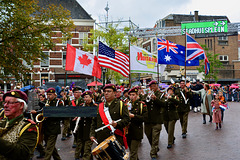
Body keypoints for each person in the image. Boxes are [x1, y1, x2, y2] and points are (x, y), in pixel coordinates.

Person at [0, 90, 38, 160]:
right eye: (5, 102)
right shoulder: (2, 122)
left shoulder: (28, 127)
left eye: (10, 103)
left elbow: (24, 153)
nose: (5, 106)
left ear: (21, 105)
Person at [90, 84, 130, 149]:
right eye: (105, 91)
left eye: (109, 91)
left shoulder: (121, 104)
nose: (106, 93)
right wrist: (92, 134)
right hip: (102, 139)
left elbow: (127, 119)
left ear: (114, 93)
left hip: (115, 138)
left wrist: (117, 124)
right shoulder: (100, 106)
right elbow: (94, 122)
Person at [144, 80, 164, 160]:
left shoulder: (161, 95)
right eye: (151, 86)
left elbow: (164, 104)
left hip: (157, 119)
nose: (152, 88)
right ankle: (155, 147)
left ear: (157, 86)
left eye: (154, 86)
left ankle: (153, 154)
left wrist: (156, 99)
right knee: (148, 135)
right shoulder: (146, 95)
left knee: (155, 137)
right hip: (148, 120)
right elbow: (144, 103)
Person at [42, 88, 64, 160]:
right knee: (50, 146)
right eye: (47, 94)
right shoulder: (45, 102)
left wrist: (49, 115)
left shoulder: (59, 102)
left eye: (50, 94)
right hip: (46, 127)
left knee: (48, 147)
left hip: (54, 127)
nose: (48, 96)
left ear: (54, 94)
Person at [127, 87, 148, 160]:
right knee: (132, 151)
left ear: (137, 95)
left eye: (133, 95)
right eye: (130, 95)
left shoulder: (141, 105)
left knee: (133, 153)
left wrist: (134, 116)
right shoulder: (126, 104)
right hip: (128, 131)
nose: (132, 97)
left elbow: (145, 118)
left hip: (136, 131)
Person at [74, 91, 96, 160]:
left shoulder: (95, 107)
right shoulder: (82, 106)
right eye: (84, 97)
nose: (85, 99)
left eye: (87, 97)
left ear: (91, 97)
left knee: (87, 150)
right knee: (84, 149)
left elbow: (94, 119)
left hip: (89, 131)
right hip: (82, 131)